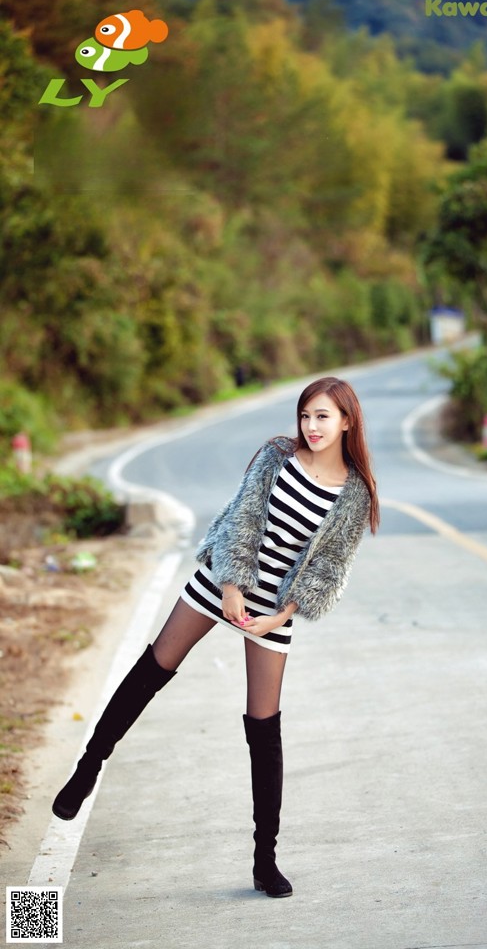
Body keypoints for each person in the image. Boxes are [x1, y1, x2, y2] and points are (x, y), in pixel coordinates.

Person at [52, 376, 379, 898]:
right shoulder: (277, 457)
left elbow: (329, 570)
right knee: (154, 667)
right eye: (305, 416)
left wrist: (280, 616)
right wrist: (230, 585)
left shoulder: (354, 494)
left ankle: (264, 861)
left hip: (272, 609)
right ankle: (88, 766)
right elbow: (243, 520)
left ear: (347, 421)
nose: (312, 427)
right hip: (223, 580)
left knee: (264, 725)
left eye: (323, 417)